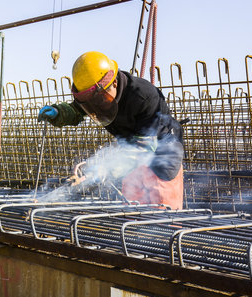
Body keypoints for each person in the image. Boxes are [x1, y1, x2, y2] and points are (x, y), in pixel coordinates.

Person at [38, 51, 184, 209]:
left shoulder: (144, 97)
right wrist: (59, 113)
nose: (96, 107)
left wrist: (106, 169)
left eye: (99, 100)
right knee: (133, 216)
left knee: (163, 218)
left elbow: (144, 148)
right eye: (89, 103)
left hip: (162, 159)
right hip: (131, 161)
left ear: (114, 82)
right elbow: (77, 110)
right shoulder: (95, 97)